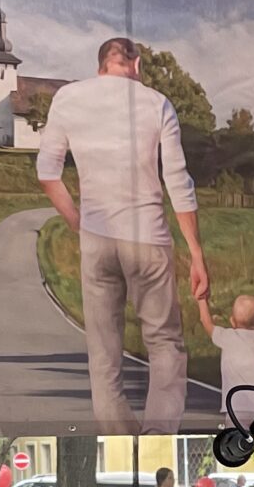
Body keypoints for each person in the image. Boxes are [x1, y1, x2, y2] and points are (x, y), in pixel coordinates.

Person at [35, 36, 210, 431]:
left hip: (97, 239)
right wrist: (196, 252)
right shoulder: (156, 102)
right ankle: (158, 436)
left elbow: (47, 172)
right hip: (148, 238)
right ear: (136, 65)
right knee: (164, 343)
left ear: (101, 65)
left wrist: (78, 221)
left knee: (103, 354)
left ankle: (120, 439)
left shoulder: (68, 98)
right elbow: (178, 181)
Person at [199, 292, 254, 425]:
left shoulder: (227, 338)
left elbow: (206, 322)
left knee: (235, 438)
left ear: (232, 321)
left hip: (235, 410)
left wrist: (201, 299)